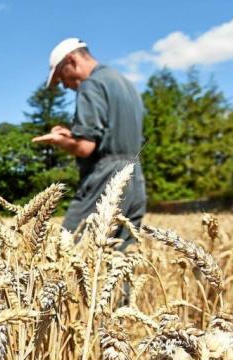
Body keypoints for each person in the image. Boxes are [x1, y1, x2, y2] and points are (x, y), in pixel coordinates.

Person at [32, 38, 146, 250]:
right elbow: (112, 131)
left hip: (106, 180)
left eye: (61, 78)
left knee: (68, 250)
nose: (65, 86)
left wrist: (61, 142)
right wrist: (70, 134)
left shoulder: (90, 85)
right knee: (119, 260)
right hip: (135, 179)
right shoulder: (124, 83)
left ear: (71, 60)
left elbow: (85, 147)